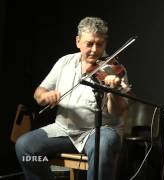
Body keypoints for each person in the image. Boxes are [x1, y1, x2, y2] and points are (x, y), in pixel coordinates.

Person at [15, 16, 131, 180]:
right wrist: (45, 96)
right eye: (89, 43)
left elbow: (117, 112)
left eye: (100, 44)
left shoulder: (114, 69)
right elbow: (39, 93)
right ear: (78, 41)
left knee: (103, 146)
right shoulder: (65, 62)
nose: (94, 50)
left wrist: (112, 90)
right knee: (25, 147)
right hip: (64, 130)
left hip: (98, 131)